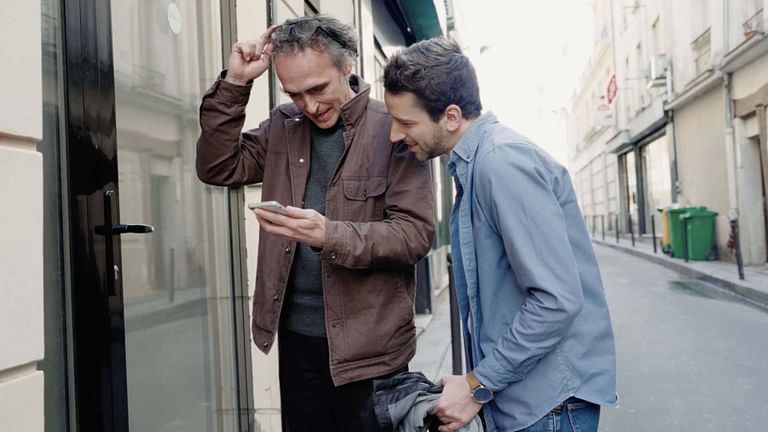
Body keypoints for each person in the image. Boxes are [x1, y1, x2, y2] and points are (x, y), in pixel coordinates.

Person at [195, 15, 435, 431]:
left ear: (346, 67)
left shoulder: (393, 129)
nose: (309, 105)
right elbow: (218, 166)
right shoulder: (283, 126)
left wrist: (330, 235)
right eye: (295, 93)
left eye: (318, 89)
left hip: (371, 348)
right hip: (297, 339)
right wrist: (235, 83)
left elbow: (414, 234)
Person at [383, 37, 617, 432]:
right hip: (528, 400)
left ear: (451, 117)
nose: (394, 135)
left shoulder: (501, 163)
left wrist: (477, 384)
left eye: (406, 123)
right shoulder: (476, 165)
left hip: (547, 406)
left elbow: (556, 300)